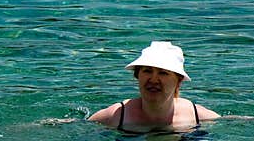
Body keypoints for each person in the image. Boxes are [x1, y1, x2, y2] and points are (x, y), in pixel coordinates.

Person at [89, 41, 220, 133]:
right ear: (137, 75)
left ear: (178, 82)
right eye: (147, 71)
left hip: (185, 139)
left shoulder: (197, 116)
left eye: (163, 73)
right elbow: (80, 126)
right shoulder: (116, 116)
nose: (153, 79)